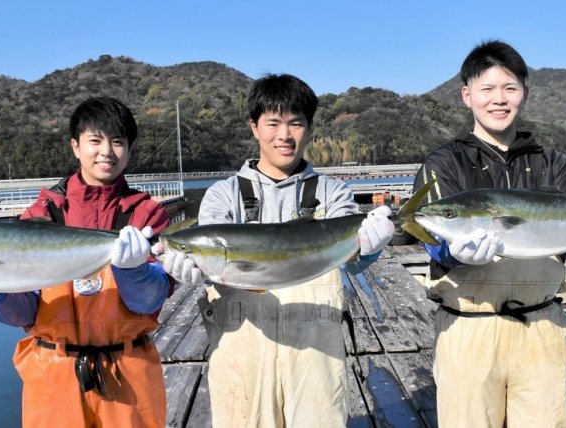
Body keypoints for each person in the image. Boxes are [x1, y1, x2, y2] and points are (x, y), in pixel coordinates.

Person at [412, 40, 566, 427]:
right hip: (468, 329)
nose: (499, 99)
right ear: (466, 95)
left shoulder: (553, 163)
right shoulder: (444, 163)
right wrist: (453, 254)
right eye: (487, 89)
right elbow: (430, 236)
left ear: (524, 93)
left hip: (542, 327)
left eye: (510, 88)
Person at [154, 73, 396, 427]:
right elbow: (205, 262)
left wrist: (369, 249)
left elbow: (350, 264)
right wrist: (189, 267)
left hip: (317, 355)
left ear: (309, 128)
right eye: (273, 123)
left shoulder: (333, 194)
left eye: (296, 124)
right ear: (254, 127)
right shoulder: (224, 196)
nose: (284, 135)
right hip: (243, 354)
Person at [0, 97, 172, 427]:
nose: (107, 152)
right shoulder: (40, 215)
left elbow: (149, 301)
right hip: (51, 374)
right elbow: (26, 312)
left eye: (117, 141)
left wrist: (135, 272)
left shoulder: (146, 215)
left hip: (129, 373)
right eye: (95, 141)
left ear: (129, 148)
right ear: (75, 146)